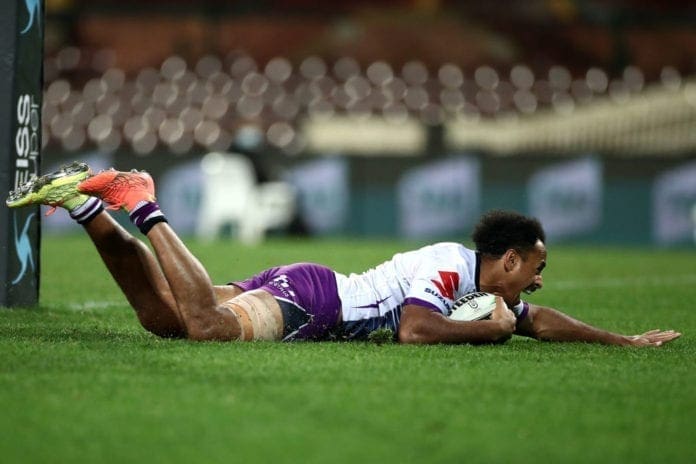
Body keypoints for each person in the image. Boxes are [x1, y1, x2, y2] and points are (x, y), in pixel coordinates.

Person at [6, 162, 680, 347]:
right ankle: (141, 200)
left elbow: (542, 320)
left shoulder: (484, 289)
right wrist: (490, 334)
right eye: (536, 268)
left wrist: (621, 341)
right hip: (316, 302)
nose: (536, 282)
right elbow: (415, 329)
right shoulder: (450, 266)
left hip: (308, 286)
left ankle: (88, 208)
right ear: (508, 260)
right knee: (205, 328)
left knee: (165, 318)